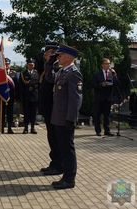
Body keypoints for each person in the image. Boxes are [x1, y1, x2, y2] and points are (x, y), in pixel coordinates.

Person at [51, 44, 83, 189]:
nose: (58, 57)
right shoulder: (62, 72)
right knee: (62, 148)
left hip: (66, 119)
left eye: (60, 55)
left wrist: (71, 119)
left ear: (69, 57)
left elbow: (75, 99)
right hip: (58, 117)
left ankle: (69, 179)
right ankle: (65, 176)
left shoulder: (73, 73)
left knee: (67, 149)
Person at [38, 43, 63, 175]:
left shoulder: (57, 68)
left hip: (54, 109)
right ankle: (54, 163)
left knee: (55, 138)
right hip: (48, 109)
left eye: (47, 53)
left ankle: (58, 165)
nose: (44, 55)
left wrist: (50, 62)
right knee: (51, 137)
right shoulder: (48, 67)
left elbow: (50, 79)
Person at [93, 58, 118, 136]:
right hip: (99, 98)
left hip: (108, 98)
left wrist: (115, 75)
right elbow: (93, 85)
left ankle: (107, 131)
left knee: (107, 115)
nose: (108, 65)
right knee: (97, 115)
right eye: (106, 64)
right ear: (102, 65)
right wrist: (101, 85)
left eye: (109, 64)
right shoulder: (97, 74)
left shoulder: (111, 73)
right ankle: (98, 131)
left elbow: (117, 84)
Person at [19, 58, 39, 134]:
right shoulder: (23, 73)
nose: (31, 66)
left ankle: (33, 128)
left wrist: (32, 85)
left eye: (32, 65)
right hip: (26, 96)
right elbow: (21, 86)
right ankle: (26, 128)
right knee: (26, 113)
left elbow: (38, 83)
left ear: (34, 65)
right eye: (29, 64)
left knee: (33, 113)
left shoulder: (36, 73)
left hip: (34, 96)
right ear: (27, 65)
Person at [0, 58, 18, 134]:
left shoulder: (14, 73)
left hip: (11, 95)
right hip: (2, 95)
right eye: (5, 64)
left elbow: (16, 85)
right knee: (2, 112)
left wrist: (16, 96)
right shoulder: (0, 73)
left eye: (7, 64)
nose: (6, 65)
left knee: (10, 112)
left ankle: (9, 128)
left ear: (9, 64)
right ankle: (1, 128)